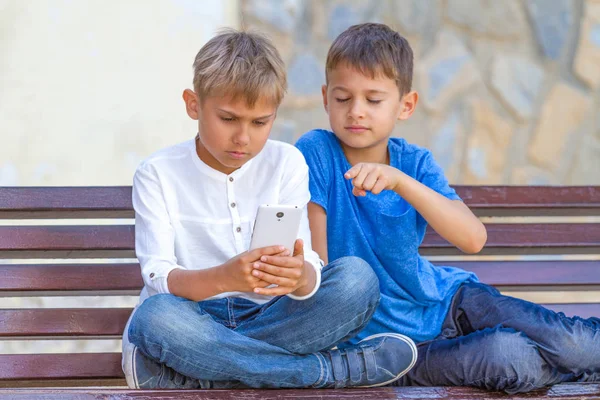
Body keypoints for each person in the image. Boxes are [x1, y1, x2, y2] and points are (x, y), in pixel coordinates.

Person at [296, 22, 600, 394]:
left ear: (405, 105)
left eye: (373, 100)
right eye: (343, 99)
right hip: (399, 350)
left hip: (451, 301)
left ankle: (579, 364)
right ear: (326, 98)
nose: (356, 111)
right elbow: (325, 274)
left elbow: (473, 239)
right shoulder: (316, 152)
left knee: (577, 345)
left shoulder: (416, 163)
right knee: (511, 355)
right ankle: (578, 371)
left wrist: (400, 181)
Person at [121, 28, 417, 390]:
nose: (243, 137)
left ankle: (206, 375)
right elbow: (158, 277)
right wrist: (226, 278)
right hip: (192, 317)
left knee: (357, 280)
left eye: (260, 122)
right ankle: (326, 373)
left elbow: (308, 262)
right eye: (228, 119)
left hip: (274, 316)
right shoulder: (157, 174)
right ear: (193, 103)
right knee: (153, 319)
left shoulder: (286, 161)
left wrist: (301, 277)